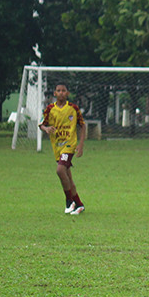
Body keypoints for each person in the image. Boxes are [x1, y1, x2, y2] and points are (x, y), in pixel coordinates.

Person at [38, 83, 86, 214]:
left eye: (63, 90)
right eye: (58, 90)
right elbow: (41, 124)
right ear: (54, 93)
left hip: (69, 145)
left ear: (67, 93)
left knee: (60, 171)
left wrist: (80, 145)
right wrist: (46, 128)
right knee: (68, 178)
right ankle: (79, 204)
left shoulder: (73, 108)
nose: (61, 93)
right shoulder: (49, 109)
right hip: (57, 147)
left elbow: (82, 125)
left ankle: (69, 201)